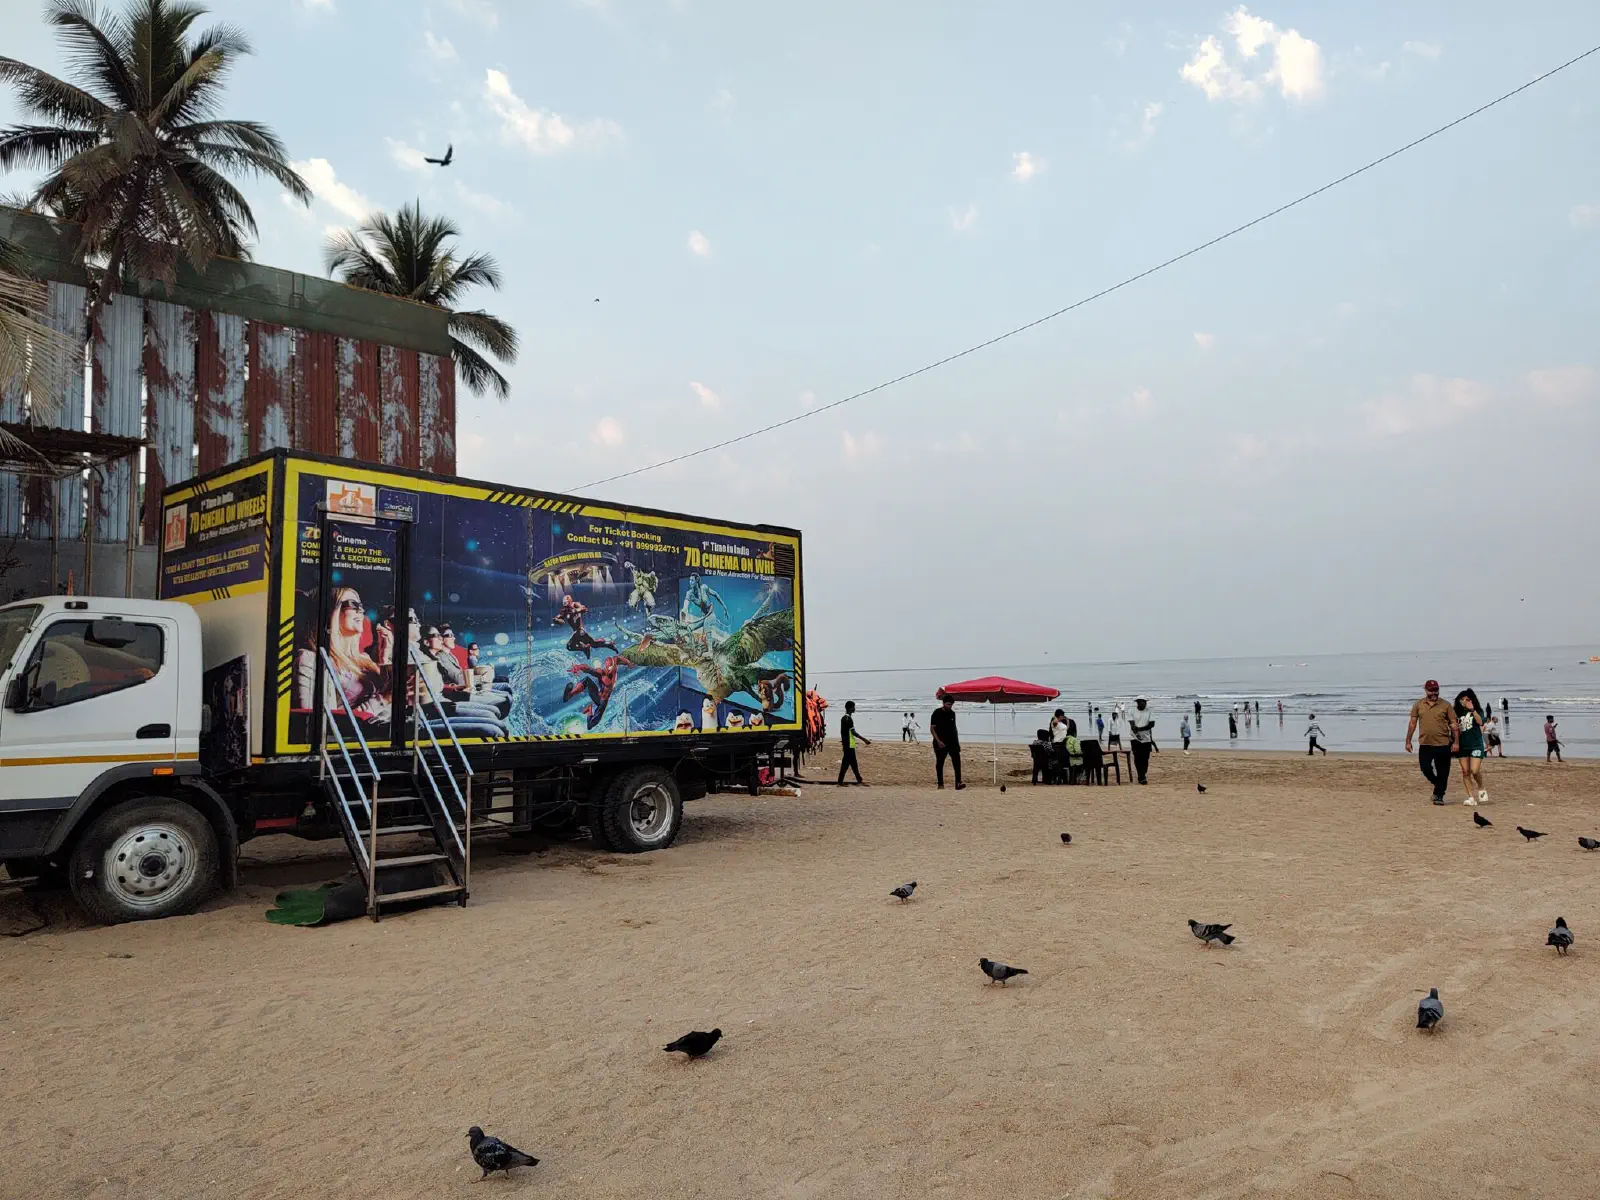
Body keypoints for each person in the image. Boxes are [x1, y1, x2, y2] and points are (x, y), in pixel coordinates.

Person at [1405, 680, 1460, 804]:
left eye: (1436, 690)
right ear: (1426, 690)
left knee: (1443, 772)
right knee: (1426, 769)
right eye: (1431, 690)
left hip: (1443, 744)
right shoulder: (1419, 705)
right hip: (1425, 744)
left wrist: (1456, 743)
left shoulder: (1446, 705)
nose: (1434, 693)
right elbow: (1412, 723)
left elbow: (1454, 724)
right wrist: (1408, 741)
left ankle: (1439, 795)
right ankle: (1438, 784)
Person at [1453, 690, 1489, 805]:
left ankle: (1481, 786)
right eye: (1462, 699)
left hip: (1476, 744)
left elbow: (1480, 723)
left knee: (1474, 770)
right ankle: (1471, 797)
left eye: (1467, 699)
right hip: (1462, 745)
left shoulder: (1478, 710)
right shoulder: (1456, 712)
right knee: (1465, 772)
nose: (1464, 702)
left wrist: (1472, 709)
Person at [930, 695, 964, 790]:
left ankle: (958, 783)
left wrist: (957, 742)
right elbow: (932, 729)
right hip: (940, 742)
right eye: (948, 704)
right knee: (940, 763)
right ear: (943, 703)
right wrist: (938, 741)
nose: (950, 706)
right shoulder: (936, 713)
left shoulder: (952, 714)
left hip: (952, 742)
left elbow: (954, 728)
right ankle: (940, 784)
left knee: (957, 762)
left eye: (951, 705)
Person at [837, 700, 869, 784]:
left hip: (849, 744)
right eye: (854, 707)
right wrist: (864, 739)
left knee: (853, 763)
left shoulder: (845, 718)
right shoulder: (848, 719)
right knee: (846, 763)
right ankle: (840, 781)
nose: (854, 708)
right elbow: (853, 732)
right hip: (848, 744)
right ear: (850, 708)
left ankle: (859, 779)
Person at [1128, 696, 1157, 784]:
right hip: (1134, 738)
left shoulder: (1150, 711)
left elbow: (1151, 724)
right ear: (1137, 702)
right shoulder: (1131, 711)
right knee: (1137, 757)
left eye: (1144, 702)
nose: (1143, 703)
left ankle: (1142, 774)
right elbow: (1132, 725)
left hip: (1146, 738)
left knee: (1145, 758)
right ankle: (1141, 777)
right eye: (1141, 702)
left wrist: (1140, 729)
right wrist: (1137, 732)